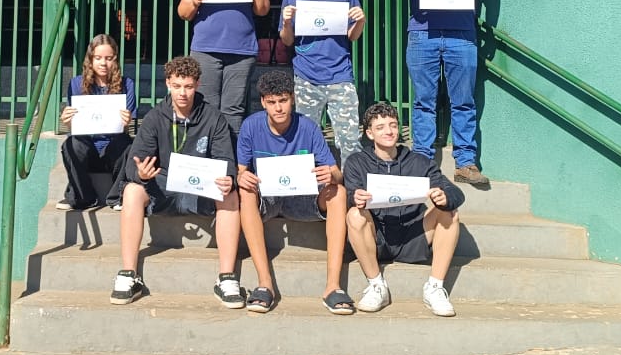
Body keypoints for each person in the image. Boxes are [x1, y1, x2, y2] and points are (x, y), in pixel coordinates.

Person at [111, 55, 245, 310]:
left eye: (189, 86)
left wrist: (228, 178)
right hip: (164, 187)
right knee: (131, 191)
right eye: (177, 86)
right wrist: (142, 174)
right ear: (168, 84)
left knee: (230, 194)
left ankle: (226, 277)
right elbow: (134, 162)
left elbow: (226, 159)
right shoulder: (154, 117)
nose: (182, 93)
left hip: (201, 188)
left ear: (198, 85)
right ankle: (129, 273)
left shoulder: (214, 118)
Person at [390, 0, 497, 188]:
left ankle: (465, 163)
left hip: (462, 34)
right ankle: (422, 162)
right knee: (423, 101)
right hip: (421, 33)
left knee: (463, 101)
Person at [237, 70, 352, 315]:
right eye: (272, 102)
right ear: (263, 102)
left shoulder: (308, 127)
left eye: (283, 100)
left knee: (339, 192)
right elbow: (241, 171)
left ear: (293, 99)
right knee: (245, 192)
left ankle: (333, 286)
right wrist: (242, 177)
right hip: (267, 197)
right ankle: (264, 283)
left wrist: (331, 175)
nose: (278, 108)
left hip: (303, 198)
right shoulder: (250, 126)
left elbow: (335, 172)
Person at [344, 102, 464, 316]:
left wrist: (445, 197)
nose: (388, 131)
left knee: (449, 211)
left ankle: (435, 288)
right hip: (377, 236)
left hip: (413, 234)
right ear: (369, 133)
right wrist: (354, 197)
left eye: (393, 125)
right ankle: (376, 285)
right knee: (354, 214)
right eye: (380, 127)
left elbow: (454, 192)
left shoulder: (419, 162)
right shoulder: (356, 162)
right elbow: (348, 194)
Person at [279, 0, 366, 162]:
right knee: (305, 140)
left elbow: (352, 36)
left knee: (349, 141)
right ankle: (308, 183)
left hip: (340, 75)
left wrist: (361, 21)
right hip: (306, 77)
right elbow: (287, 41)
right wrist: (286, 22)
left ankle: (352, 183)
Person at [178, 0, 271, 134]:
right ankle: (206, 150)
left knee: (233, 109)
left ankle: (230, 150)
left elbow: (263, 10)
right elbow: (183, 13)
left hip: (241, 52)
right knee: (206, 106)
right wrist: (193, 1)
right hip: (205, 51)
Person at [56, 34, 137, 211]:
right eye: (98, 58)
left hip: (112, 150)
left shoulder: (127, 84)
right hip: (88, 149)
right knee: (70, 144)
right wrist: (68, 122)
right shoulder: (76, 84)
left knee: (128, 145)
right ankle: (82, 197)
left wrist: (127, 121)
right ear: (90, 59)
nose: (103, 63)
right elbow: (76, 127)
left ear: (115, 60)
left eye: (109, 58)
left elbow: (125, 128)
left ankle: (117, 197)